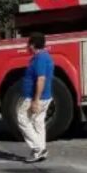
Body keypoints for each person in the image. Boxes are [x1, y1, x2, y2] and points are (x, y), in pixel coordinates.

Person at [17, 32, 54, 163]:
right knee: (38, 121)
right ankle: (41, 148)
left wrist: (35, 100)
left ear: (32, 45)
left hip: (33, 97)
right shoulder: (44, 57)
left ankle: (37, 148)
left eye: (28, 44)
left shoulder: (40, 59)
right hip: (45, 96)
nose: (27, 46)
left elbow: (41, 79)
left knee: (22, 119)